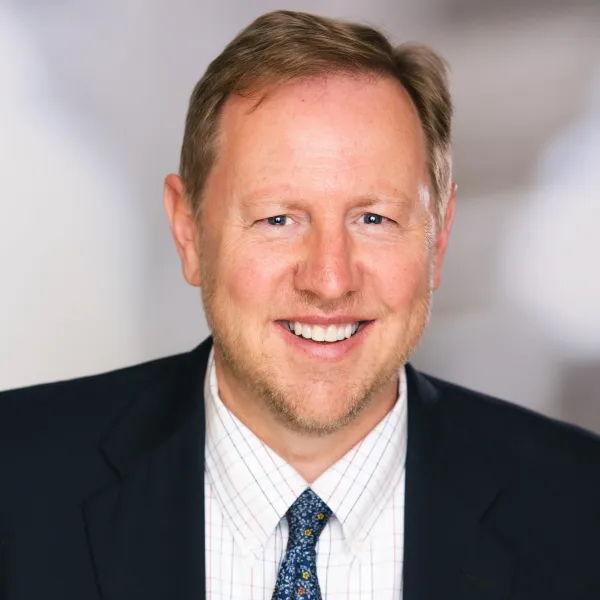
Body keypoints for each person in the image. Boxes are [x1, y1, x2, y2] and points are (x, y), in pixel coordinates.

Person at [1, 9, 598, 600]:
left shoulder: (580, 508)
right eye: (278, 219)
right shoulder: (16, 480)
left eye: (374, 218)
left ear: (438, 237)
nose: (330, 280)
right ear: (188, 232)